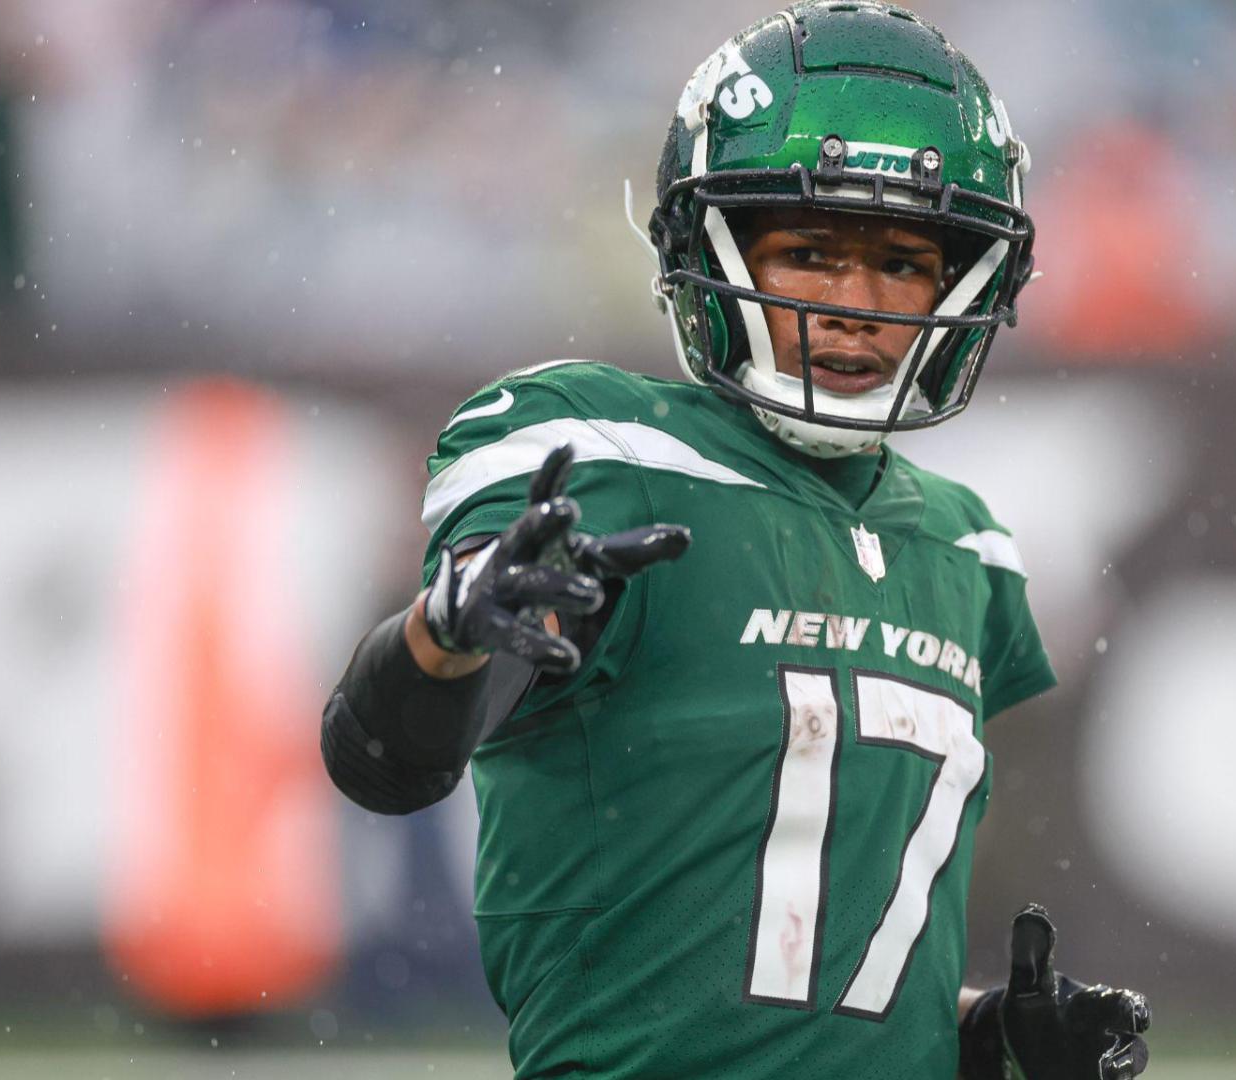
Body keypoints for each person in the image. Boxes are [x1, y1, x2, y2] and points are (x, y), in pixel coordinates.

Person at [320, 4, 1151, 1077]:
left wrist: (986, 1036)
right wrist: (445, 635)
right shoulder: (608, 454)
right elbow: (384, 761)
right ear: (704, 248)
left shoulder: (968, 549)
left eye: (903, 262)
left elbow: (814, 967)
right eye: (810, 251)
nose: (858, 306)